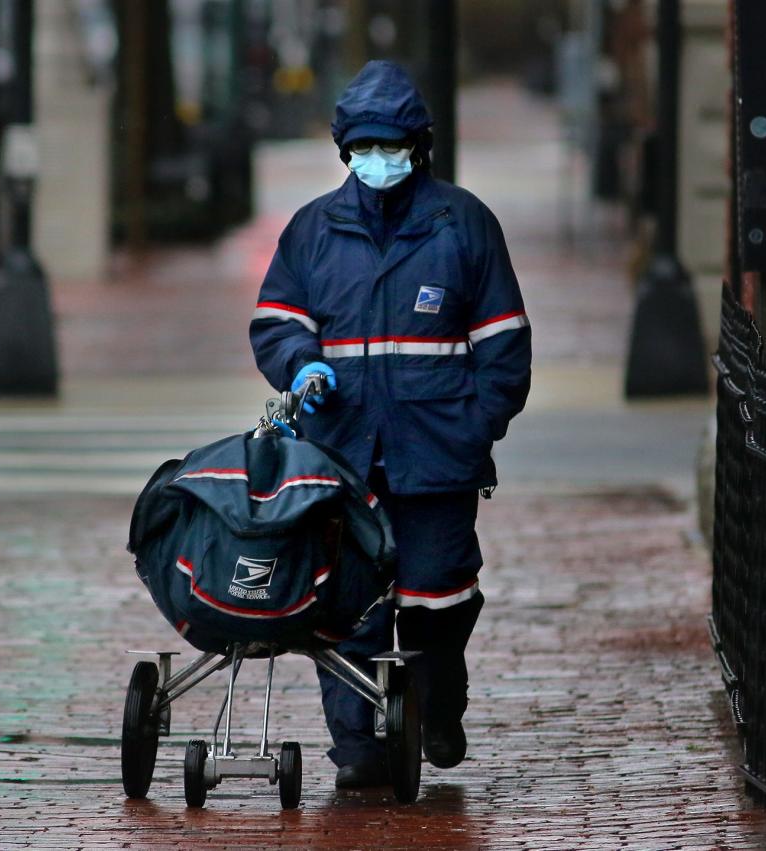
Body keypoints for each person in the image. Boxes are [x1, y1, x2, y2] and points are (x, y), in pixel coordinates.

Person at [249, 60, 531, 787]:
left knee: (437, 592)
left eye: (393, 146)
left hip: (437, 454)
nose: (380, 161)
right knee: (347, 604)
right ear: (347, 150)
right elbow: (277, 319)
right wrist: (302, 364)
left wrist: (477, 426)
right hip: (341, 452)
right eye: (366, 147)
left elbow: (504, 345)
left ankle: (437, 706)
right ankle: (360, 747)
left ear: (418, 146)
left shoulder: (462, 224)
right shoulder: (314, 229)